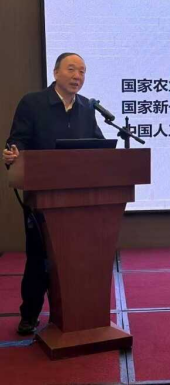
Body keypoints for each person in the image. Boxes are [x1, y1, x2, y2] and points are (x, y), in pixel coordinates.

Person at [2, 53, 104, 335]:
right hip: (42, 197)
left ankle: (74, 313)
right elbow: (17, 141)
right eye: (71, 69)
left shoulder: (87, 108)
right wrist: (13, 154)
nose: (77, 76)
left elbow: (98, 145)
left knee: (75, 259)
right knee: (39, 259)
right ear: (56, 72)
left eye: (82, 71)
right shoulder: (33, 103)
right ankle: (29, 314)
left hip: (79, 199)